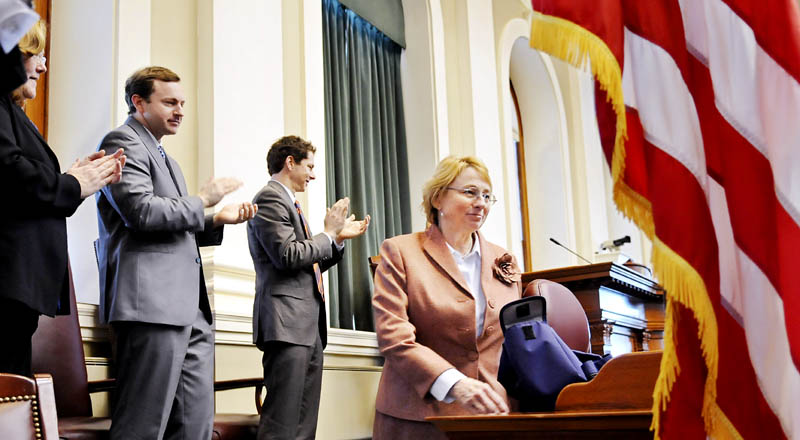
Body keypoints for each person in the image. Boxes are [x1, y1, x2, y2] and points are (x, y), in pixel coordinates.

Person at [95, 66, 256, 440]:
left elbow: (173, 227)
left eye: (182, 102)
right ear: (139, 102)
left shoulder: (169, 160)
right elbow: (142, 213)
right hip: (149, 306)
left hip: (191, 310)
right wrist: (202, 201)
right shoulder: (121, 141)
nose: (180, 110)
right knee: (142, 426)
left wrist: (215, 218)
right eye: (169, 102)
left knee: (194, 428)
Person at [0, 19, 124, 377]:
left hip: (19, 289)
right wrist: (70, 183)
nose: (43, 65)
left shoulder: (14, 115)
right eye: (34, 54)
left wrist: (73, 180)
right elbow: (11, 174)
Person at [371, 156, 524, 439]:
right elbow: (394, 337)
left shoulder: (504, 259)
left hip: (492, 414)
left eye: (488, 196)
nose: (481, 202)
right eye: (470, 192)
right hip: (419, 416)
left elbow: (513, 340)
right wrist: (455, 384)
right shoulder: (401, 252)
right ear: (438, 198)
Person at [247, 135, 370, 440]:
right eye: (310, 166)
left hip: (305, 325)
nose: (313, 174)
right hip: (286, 322)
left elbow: (306, 262)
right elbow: (287, 256)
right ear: (290, 162)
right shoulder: (269, 198)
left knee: (304, 425)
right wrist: (327, 233)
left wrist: (337, 239)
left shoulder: (290, 202)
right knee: (283, 423)